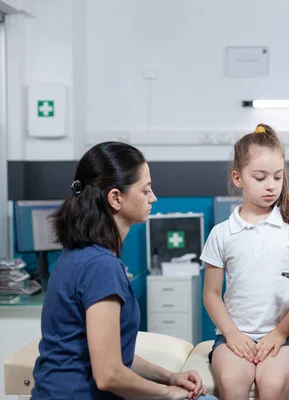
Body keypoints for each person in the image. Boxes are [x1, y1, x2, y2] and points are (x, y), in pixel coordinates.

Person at [31, 142, 210, 400]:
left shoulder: (79, 255)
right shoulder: (101, 266)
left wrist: (169, 377)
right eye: (146, 190)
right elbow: (110, 375)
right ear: (116, 198)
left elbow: (111, 354)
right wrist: (168, 393)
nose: (153, 198)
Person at [201, 124, 289, 400]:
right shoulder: (222, 232)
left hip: (288, 336)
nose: (271, 185)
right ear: (238, 178)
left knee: (272, 383)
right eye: (260, 177)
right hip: (234, 335)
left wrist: (279, 334)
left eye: (277, 177)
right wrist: (231, 334)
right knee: (232, 383)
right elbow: (211, 294)